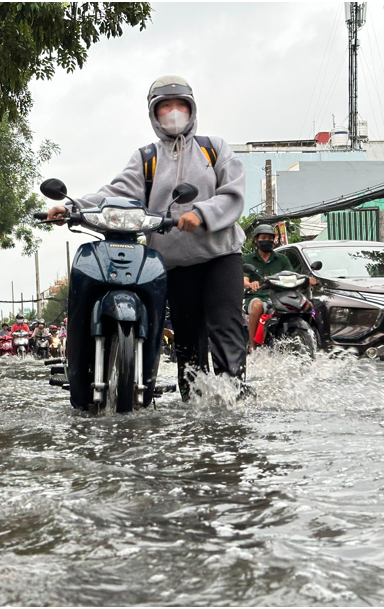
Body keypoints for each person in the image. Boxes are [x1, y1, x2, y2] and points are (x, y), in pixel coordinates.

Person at [47, 75, 248, 400]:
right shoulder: (146, 158)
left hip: (220, 256)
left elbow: (233, 192)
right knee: (187, 344)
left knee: (225, 328)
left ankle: (234, 400)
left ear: (191, 109)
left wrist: (201, 213)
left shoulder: (214, 149)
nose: (173, 112)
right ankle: (195, 410)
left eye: (180, 105)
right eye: (164, 106)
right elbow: (114, 194)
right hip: (175, 265)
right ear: (154, 114)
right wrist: (72, 207)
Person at [243, 224, 316, 351]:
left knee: (307, 305)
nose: (267, 240)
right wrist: (250, 284)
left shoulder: (282, 259)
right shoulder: (247, 259)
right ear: (256, 240)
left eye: (270, 238)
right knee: (257, 306)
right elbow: (244, 280)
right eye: (263, 238)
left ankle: (314, 339)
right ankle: (252, 345)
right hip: (258, 296)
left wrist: (307, 280)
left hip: (279, 297)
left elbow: (292, 276)